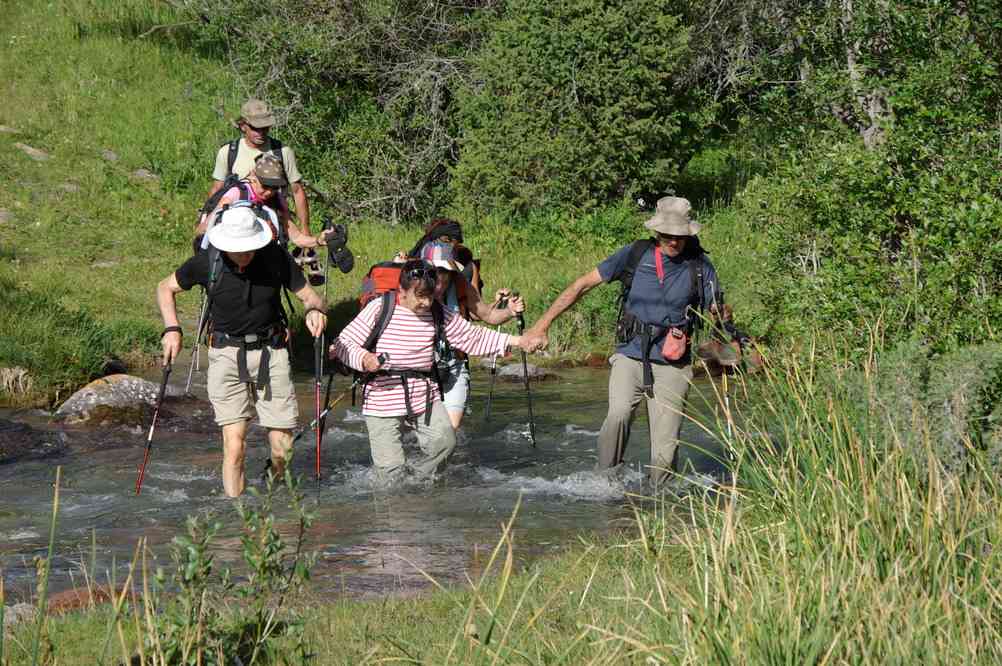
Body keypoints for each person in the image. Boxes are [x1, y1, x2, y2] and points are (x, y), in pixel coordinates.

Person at [524, 196, 723, 487]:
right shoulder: (635, 254)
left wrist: (723, 320)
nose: (673, 241)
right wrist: (542, 325)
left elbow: (718, 310)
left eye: (679, 235)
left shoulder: (700, 266)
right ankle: (604, 483)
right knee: (618, 416)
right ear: (657, 231)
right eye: (667, 234)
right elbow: (582, 285)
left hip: (673, 363)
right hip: (630, 355)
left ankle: (660, 497)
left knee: (665, 449)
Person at [158, 206, 329, 497]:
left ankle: (272, 497)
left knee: (282, 449)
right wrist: (172, 329)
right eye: (239, 250)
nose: (246, 254)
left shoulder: (275, 258)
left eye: (250, 248)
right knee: (234, 446)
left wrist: (315, 311)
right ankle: (236, 512)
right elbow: (165, 287)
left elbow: (312, 299)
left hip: (271, 352)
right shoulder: (207, 262)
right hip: (225, 354)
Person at [330, 260, 539, 484]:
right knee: (391, 473)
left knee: (445, 444)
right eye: (420, 296)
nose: (426, 302)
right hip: (382, 398)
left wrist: (517, 341)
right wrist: (364, 358)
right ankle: (396, 494)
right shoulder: (381, 308)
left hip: (423, 394)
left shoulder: (437, 311)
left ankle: (415, 484)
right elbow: (343, 343)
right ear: (402, 290)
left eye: (430, 296)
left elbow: (472, 336)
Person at [206, 98, 323, 279]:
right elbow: (217, 188)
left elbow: (297, 190)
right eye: (256, 128)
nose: (261, 133)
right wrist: (207, 220)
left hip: (274, 223)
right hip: (237, 226)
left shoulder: (282, 151)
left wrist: (305, 228)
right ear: (243, 125)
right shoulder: (228, 152)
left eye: (265, 127)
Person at [419, 240, 525, 430]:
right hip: (419, 369)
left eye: (445, 272)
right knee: (421, 430)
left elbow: (488, 315)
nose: (441, 278)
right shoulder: (411, 290)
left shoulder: (460, 284)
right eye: (435, 272)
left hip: (454, 365)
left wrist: (510, 311)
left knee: (449, 430)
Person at [195, 154, 332, 260]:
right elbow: (202, 230)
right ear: (253, 178)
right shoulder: (236, 194)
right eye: (265, 186)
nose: (269, 192)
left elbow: (296, 237)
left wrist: (319, 240)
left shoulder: (277, 200)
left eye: (275, 187)